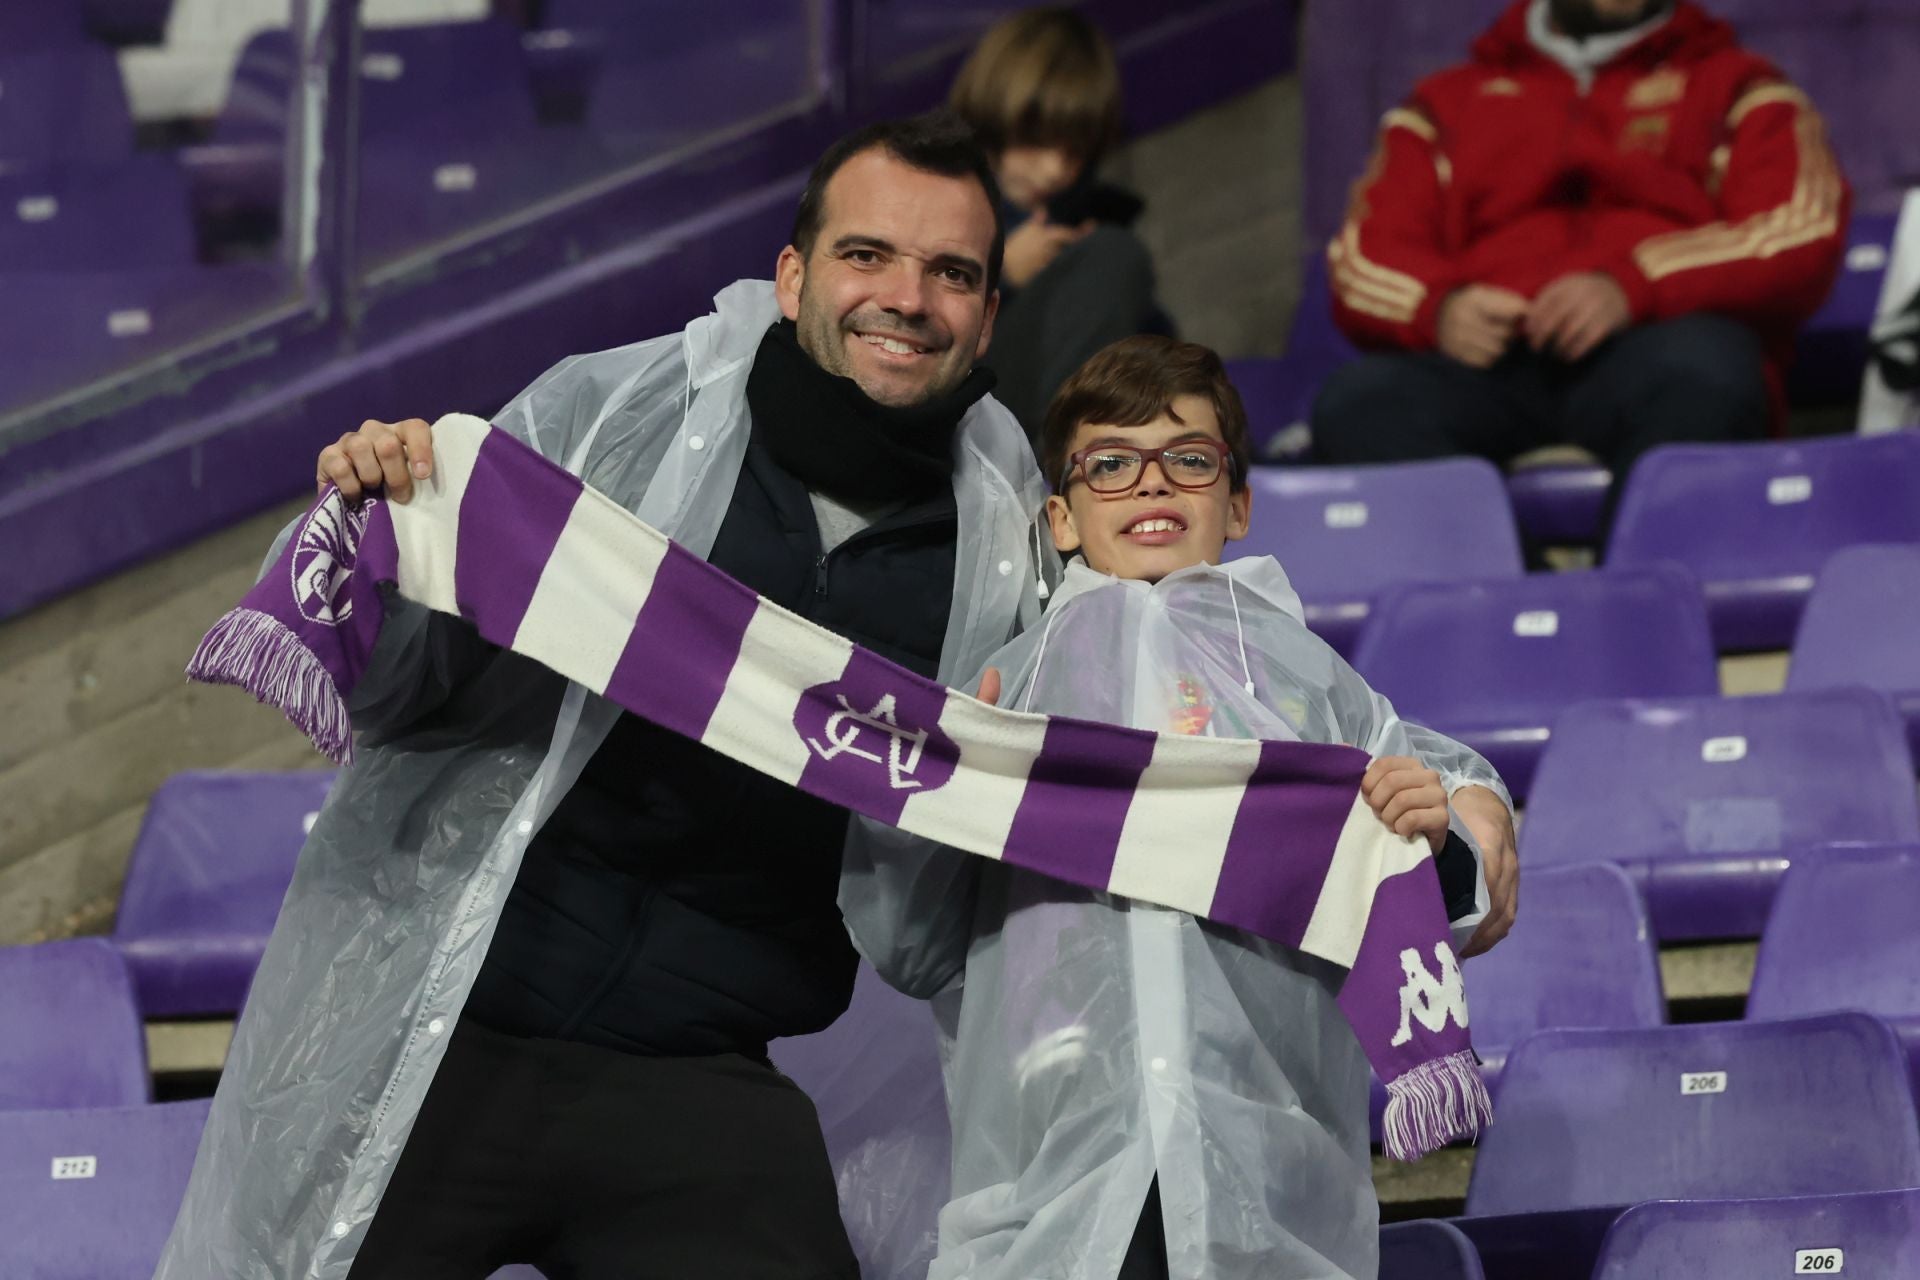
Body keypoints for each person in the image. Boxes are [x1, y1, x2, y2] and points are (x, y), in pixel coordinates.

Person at [154, 111, 1051, 1280]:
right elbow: (400, 688)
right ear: (792, 277)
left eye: (952, 273)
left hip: (700, 1074)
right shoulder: (625, 418)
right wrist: (388, 523)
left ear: (986, 317)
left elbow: (977, 890)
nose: (907, 296)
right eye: (866, 254)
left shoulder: (1006, 555)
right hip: (446, 1032)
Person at [841, 336, 1518, 1280]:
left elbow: (1442, 897)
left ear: (1236, 503)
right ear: (1061, 517)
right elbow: (906, 946)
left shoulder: (1320, 692)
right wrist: (938, 803)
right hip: (1053, 1194)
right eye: (1110, 464)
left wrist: (1442, 838)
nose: (1151, 485)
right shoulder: (1002, 695)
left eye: (1189, 460)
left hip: (1265, 1188)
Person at [1310, 0, 1850, 515]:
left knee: (1714, 368)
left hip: (1657, 348)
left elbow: (1794, 232)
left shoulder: (1740, 86)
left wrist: (1632, 286)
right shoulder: (1444, 104)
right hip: (1491, 362)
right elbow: (1364, 257)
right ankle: (1507, 596)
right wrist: (1440, 309)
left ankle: (1640, 596)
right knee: (1359, 400)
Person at [949, 6, 1165, 438]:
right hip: (960, 403)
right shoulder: (937, 185)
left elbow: (1154, 341)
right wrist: (1003, 272)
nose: (1052, 170)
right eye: (1035, 142)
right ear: (997, 119)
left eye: (1071, 153)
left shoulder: (1089, 218)